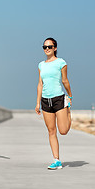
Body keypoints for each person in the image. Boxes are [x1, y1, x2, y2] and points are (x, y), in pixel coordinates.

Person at [35, 37, 73, 170]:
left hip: (59, 98)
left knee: (63, 131)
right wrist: (38, 103)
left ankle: (68, 112)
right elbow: (40, 84)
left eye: (49, 47)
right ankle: (56, 160)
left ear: (55, 48)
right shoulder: (41, 65)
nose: (47, 49)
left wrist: (70, 96)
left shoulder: (61, 63)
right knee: (51, 131)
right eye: (44, 47)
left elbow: (65, 80)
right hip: (46, 100)